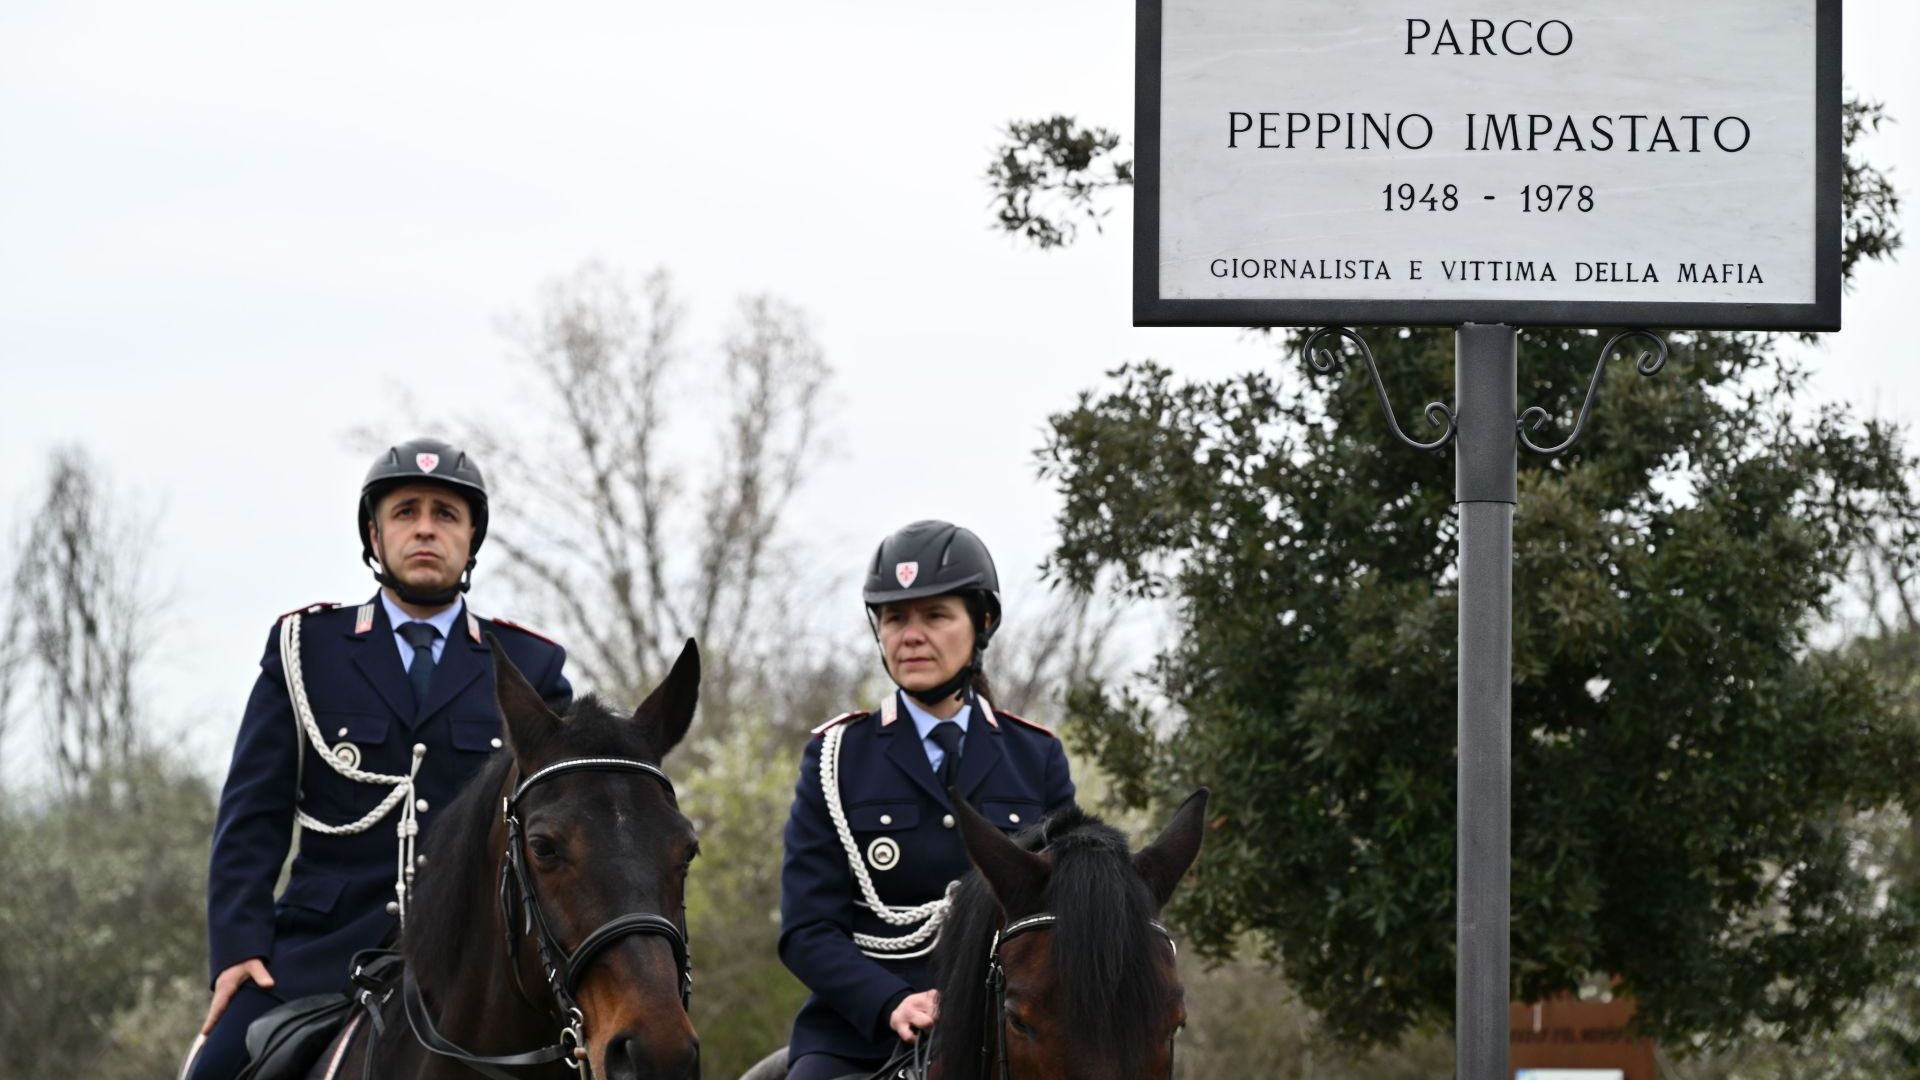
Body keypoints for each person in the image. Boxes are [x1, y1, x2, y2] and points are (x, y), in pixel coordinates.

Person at [186, 438, 572, 1080]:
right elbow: (252, 816)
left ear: (471, 537)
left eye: (446, 514)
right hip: (321, 947)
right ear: (375, 532)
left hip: (476, 956)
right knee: (215, 1069)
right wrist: (237, 948)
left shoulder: (530, 667)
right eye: (406, 511)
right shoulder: (306, 649)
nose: (425, 528)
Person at [777, 520, 1076, 1080]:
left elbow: (1068, 913)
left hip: (1008, 1030)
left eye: (935, 615)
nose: (910, 636)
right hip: (859, 1035)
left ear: (982, 623)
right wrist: (890, 1000)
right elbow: (807, 929)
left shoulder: (1036, 756)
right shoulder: (835, 755)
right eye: (895, 618)